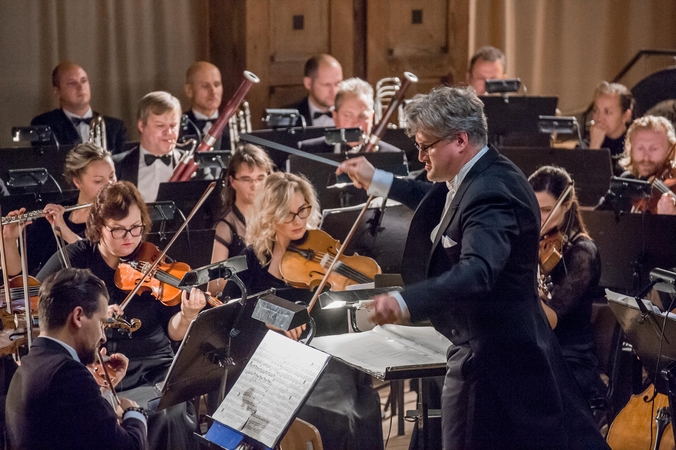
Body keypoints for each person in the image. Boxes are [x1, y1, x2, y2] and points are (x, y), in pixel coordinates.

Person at [337, 86, 607, 449]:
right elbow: (435, 198)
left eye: (425, 146)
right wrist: (377, 180)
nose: (420, 155)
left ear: (460, 140)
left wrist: (403, 303)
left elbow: (477, 272)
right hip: (497, 350)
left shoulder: (491, 192)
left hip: (493, 359)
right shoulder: (476, 174)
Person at [36, 181, 206, 450]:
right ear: (98, 226)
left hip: (153, 365)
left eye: (136, 227)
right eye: (118, 229)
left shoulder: (154, 261)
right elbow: (38, 301)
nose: (129, 237)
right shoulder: (76, 258)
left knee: (167, 412)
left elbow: (174, 331)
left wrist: (186, 315)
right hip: (99, 368)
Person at [221, 172, 384, 450]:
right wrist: (273, 320)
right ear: (270, 215)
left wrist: (353, 293)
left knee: (352, 411)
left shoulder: (322, 247)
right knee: (322, 412)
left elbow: (339, 314)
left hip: (326, 351)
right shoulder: (250, 260)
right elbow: (233, 314)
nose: (299, 221)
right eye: (288, 214)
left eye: (303, 210)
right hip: (272, 361)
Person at [5, 267, 147, 450]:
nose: (103, 336)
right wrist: (134, 412)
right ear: (78, 316)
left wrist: (100, 391)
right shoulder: (67, 374)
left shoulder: (30, 363)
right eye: (101, 323)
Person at [529, 166, 608, 415]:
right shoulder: (533, 242)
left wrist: (519, 279)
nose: (539, 218)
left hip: (569, 358)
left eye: (545, 210)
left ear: (566, 205)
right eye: (533, 208)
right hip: (537, 350)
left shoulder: (582, 253)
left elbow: (549, 319)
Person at [209, 144, 273, 296]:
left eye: (260, 178)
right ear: (232, 181)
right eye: (246, 179)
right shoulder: (224, 227)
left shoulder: (275, 218)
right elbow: (214, 285)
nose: (255, 186)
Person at [31, 62, 128, 154]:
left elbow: (125, 167)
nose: (81, 87)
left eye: (84, 81)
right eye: (72, 83)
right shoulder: (44, 124)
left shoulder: (115, 127)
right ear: (57, 91)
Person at [298, 77, 402, 153]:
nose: (356, 123)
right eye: (348, 115)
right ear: (335, 117)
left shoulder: (393, 155)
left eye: (362, 116)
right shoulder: (308, 151)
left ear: (371, 118)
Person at [114, 91, 183, 202]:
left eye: (173, 125)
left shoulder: (195, 165)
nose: (169, 132)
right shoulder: (117, 166)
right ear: (141, 126)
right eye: (160, 125)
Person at [179, 61, 229, 149]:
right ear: (189, 90)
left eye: (217, 85)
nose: (213, 92)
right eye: (205, 86)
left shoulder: (234, 124)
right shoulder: (178, 126)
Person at [284, 54, 343, 127]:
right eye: (326, 85)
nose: (334, 91)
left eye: (337, 84)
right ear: (308, 83)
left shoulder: (353, 114)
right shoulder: (287, 118)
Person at [588, 81, 634, 175]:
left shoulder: (635, 146)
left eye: (607, 112)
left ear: (626, 116)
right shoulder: (585, 144)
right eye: (596, 110)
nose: (599, 118)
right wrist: (594, 148)